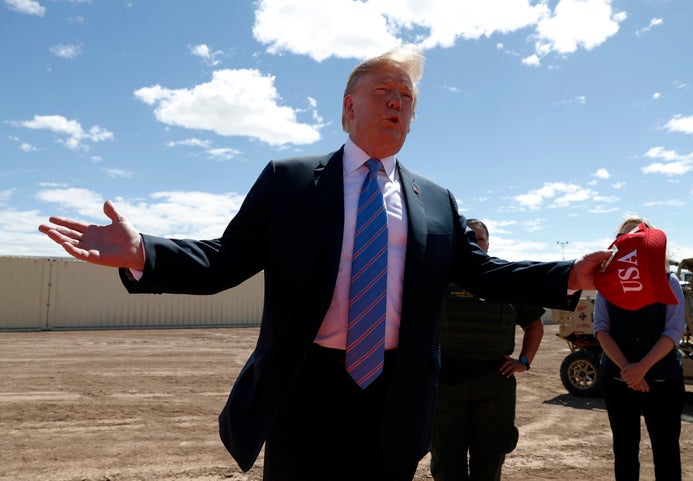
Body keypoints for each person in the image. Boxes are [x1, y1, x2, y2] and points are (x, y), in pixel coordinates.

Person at [39, 45, 610, 481]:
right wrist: (144, 252)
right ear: (348, 106)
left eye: (407, 98)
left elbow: (483, 272)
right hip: (306, 385)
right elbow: (224, 260)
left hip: (397, 391)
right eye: (385, 90)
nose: (396, 102)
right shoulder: (289, 182)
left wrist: (568, 275)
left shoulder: (436, 200)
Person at [431, 219, 545, 481]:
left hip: (494, 383)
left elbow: (534, 326)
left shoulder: (506, 276)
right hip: (447, 383)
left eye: (479, 238)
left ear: (488, 243)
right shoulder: (438, 277)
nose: (475, 242)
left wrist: (524, 361)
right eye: (468, 238)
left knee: (490, 459)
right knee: (446, 460)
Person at [593, 217, 685, 481]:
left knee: (666, 451)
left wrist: (640, 369)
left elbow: (673, 332)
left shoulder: (669, 282)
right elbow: (601, 328)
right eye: (624, 237)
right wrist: (628, 371)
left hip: (662, 379)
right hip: (617, 379)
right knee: (624, 450)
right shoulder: (606, 286)